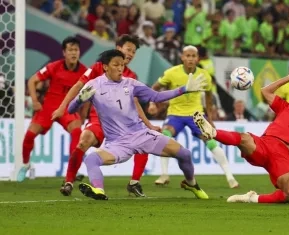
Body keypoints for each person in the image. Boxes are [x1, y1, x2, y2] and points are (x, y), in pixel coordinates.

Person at [67, 49, 209, 200]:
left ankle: (191, 183)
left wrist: (184, 89)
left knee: (185, 154)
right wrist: (80, 99)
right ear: (105, 67)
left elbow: (156, 96)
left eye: (122, 64)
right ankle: (99, 191)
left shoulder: (131, 84)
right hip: (117, 143)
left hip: (142, 135)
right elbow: (71, 109)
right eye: (116, 64)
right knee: (91, 159)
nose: (120, 68)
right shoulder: (93, 85)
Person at [193, 72, 289, 204]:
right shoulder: (287, 108)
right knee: (244, 138)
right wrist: (288, 78)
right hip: (265, 144)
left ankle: (252, 198)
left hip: (283, 157)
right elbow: (265, 91)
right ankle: (213, 132)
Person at [52, 35, 156, 197]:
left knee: (145, 139)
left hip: (123, 126)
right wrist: (61, 107)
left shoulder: (131, 76)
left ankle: (134, 183)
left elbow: (135, 104)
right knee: (83, 141)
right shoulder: (98, 67)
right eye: (128, 49)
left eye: (133, 52)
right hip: (99, 121)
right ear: (118, 48)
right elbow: (79, 85)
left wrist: (149, 126)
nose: (130, 54)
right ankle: (68, 182)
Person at [148, 45, 239, 188]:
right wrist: (152, 103)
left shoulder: (204, 75)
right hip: (175, 114)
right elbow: (154, 88)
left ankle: (230, 177)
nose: (190, 58)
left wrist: (210, 117)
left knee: (210, 141)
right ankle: (164, 174)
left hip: (196, 114)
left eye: (193, 56)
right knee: (165, 135)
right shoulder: (171, 73)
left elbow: (209, 97)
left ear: (197, 58)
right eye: (187, 56)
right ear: (182, 57)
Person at [17, 37, 87, 182]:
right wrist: (35, 101)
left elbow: (89, 93)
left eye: (76, 50)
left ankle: (73, 170)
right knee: (29, 136)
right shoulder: (54, 66)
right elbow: (32, 80)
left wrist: (83, 114)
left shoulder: (84, 71)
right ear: (64, 52)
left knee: (77, 131)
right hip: (49, 107)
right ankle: (25, 164)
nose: (74, 53)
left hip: (68, 108)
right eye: (70, 50)